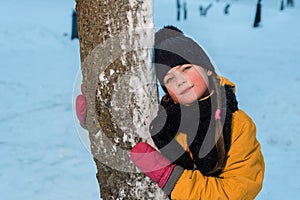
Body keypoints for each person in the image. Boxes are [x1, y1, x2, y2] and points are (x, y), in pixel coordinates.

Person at [75, 26, 265, 199]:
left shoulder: (237, 124)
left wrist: (171, 178)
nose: (181, 81)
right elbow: (130, 143)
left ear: (208, 70)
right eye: (170, 78)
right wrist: (99, 120)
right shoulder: (164, 119)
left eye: (187, 68)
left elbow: (237, 191)